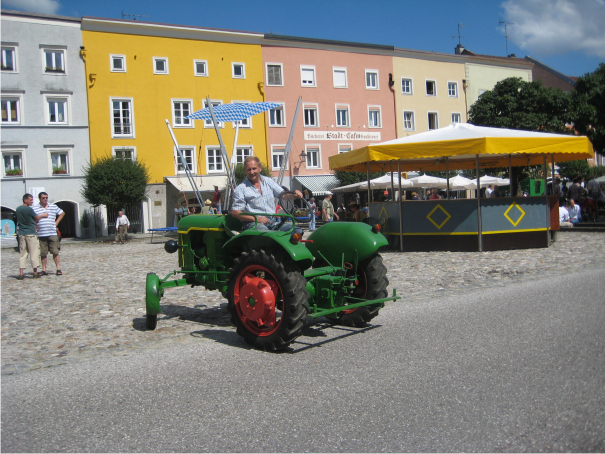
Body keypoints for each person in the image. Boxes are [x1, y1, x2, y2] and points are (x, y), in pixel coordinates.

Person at [231, 156, 303, 232]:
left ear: (260, 168)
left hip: (272, 222)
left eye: (254, 168)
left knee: (296, 230)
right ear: (245, 170)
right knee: (266, 233)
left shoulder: (268, 181)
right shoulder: (241, 188)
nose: (252, 172)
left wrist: (293, 195)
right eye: (249, 169)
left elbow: (283, 195)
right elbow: (235, 212)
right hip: (253, 224)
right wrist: (257, 219)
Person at [16, 193, 48, 280]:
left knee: (23, 253)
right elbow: (36, 217)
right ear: (25, 200)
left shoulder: (18, 209)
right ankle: (35, 272)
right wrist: (43, 215)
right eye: (30, 200)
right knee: (34, 252)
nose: (32, 201)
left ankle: (21, 273)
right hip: (31, 233)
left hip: (22, 233)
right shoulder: (29, 209)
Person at [32, 192, 64, 275]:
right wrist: (40, 217)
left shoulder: (53, 206)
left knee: (55, 251)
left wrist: (56, 223)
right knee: (43, 253)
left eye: (46, 197)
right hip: (41, 233)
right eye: (43, 198)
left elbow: (62, 213)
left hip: (52, 233)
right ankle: (44, 270)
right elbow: (33, 219)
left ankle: (58, 268)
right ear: (39, 198)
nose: (45, 199)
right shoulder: (35, 208)